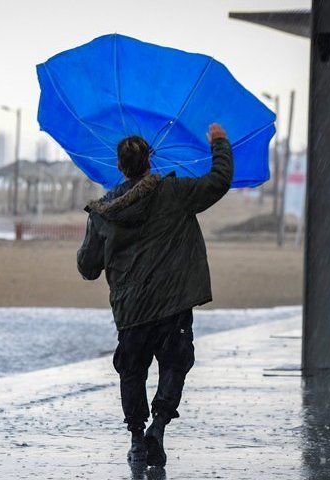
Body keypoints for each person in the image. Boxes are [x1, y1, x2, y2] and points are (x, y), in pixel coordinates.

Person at [77, 123, 233, 467]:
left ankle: (137, 439)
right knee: (175, 364)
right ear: (150, 161)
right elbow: (218, 181)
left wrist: (99, 237)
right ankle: (158, 428)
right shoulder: (175, 192)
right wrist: (220, 143)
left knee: (132, 372)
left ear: (120, 166)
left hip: (131, 310)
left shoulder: (105, 210)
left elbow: (87, 268)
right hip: (172, 304)